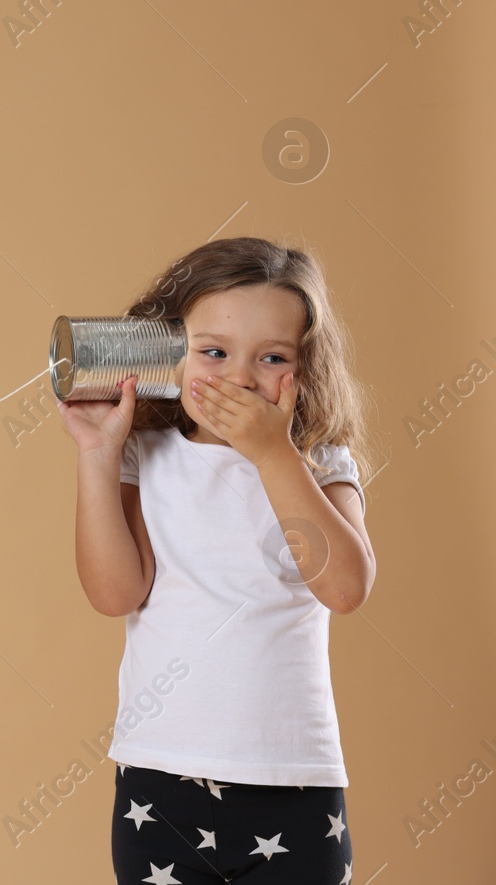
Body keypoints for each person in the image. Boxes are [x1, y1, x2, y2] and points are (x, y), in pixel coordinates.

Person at [57, 236, 376, 884]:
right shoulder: (147, 453)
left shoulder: (318, 462)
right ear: (170, 352)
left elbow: (344, 587)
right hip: (162, 780)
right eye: (214, 352)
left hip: (293, 783)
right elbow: (117, 592)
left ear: (307, 367)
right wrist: (97, 455)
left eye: (272, 357)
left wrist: (273, 454)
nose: (239, 376)